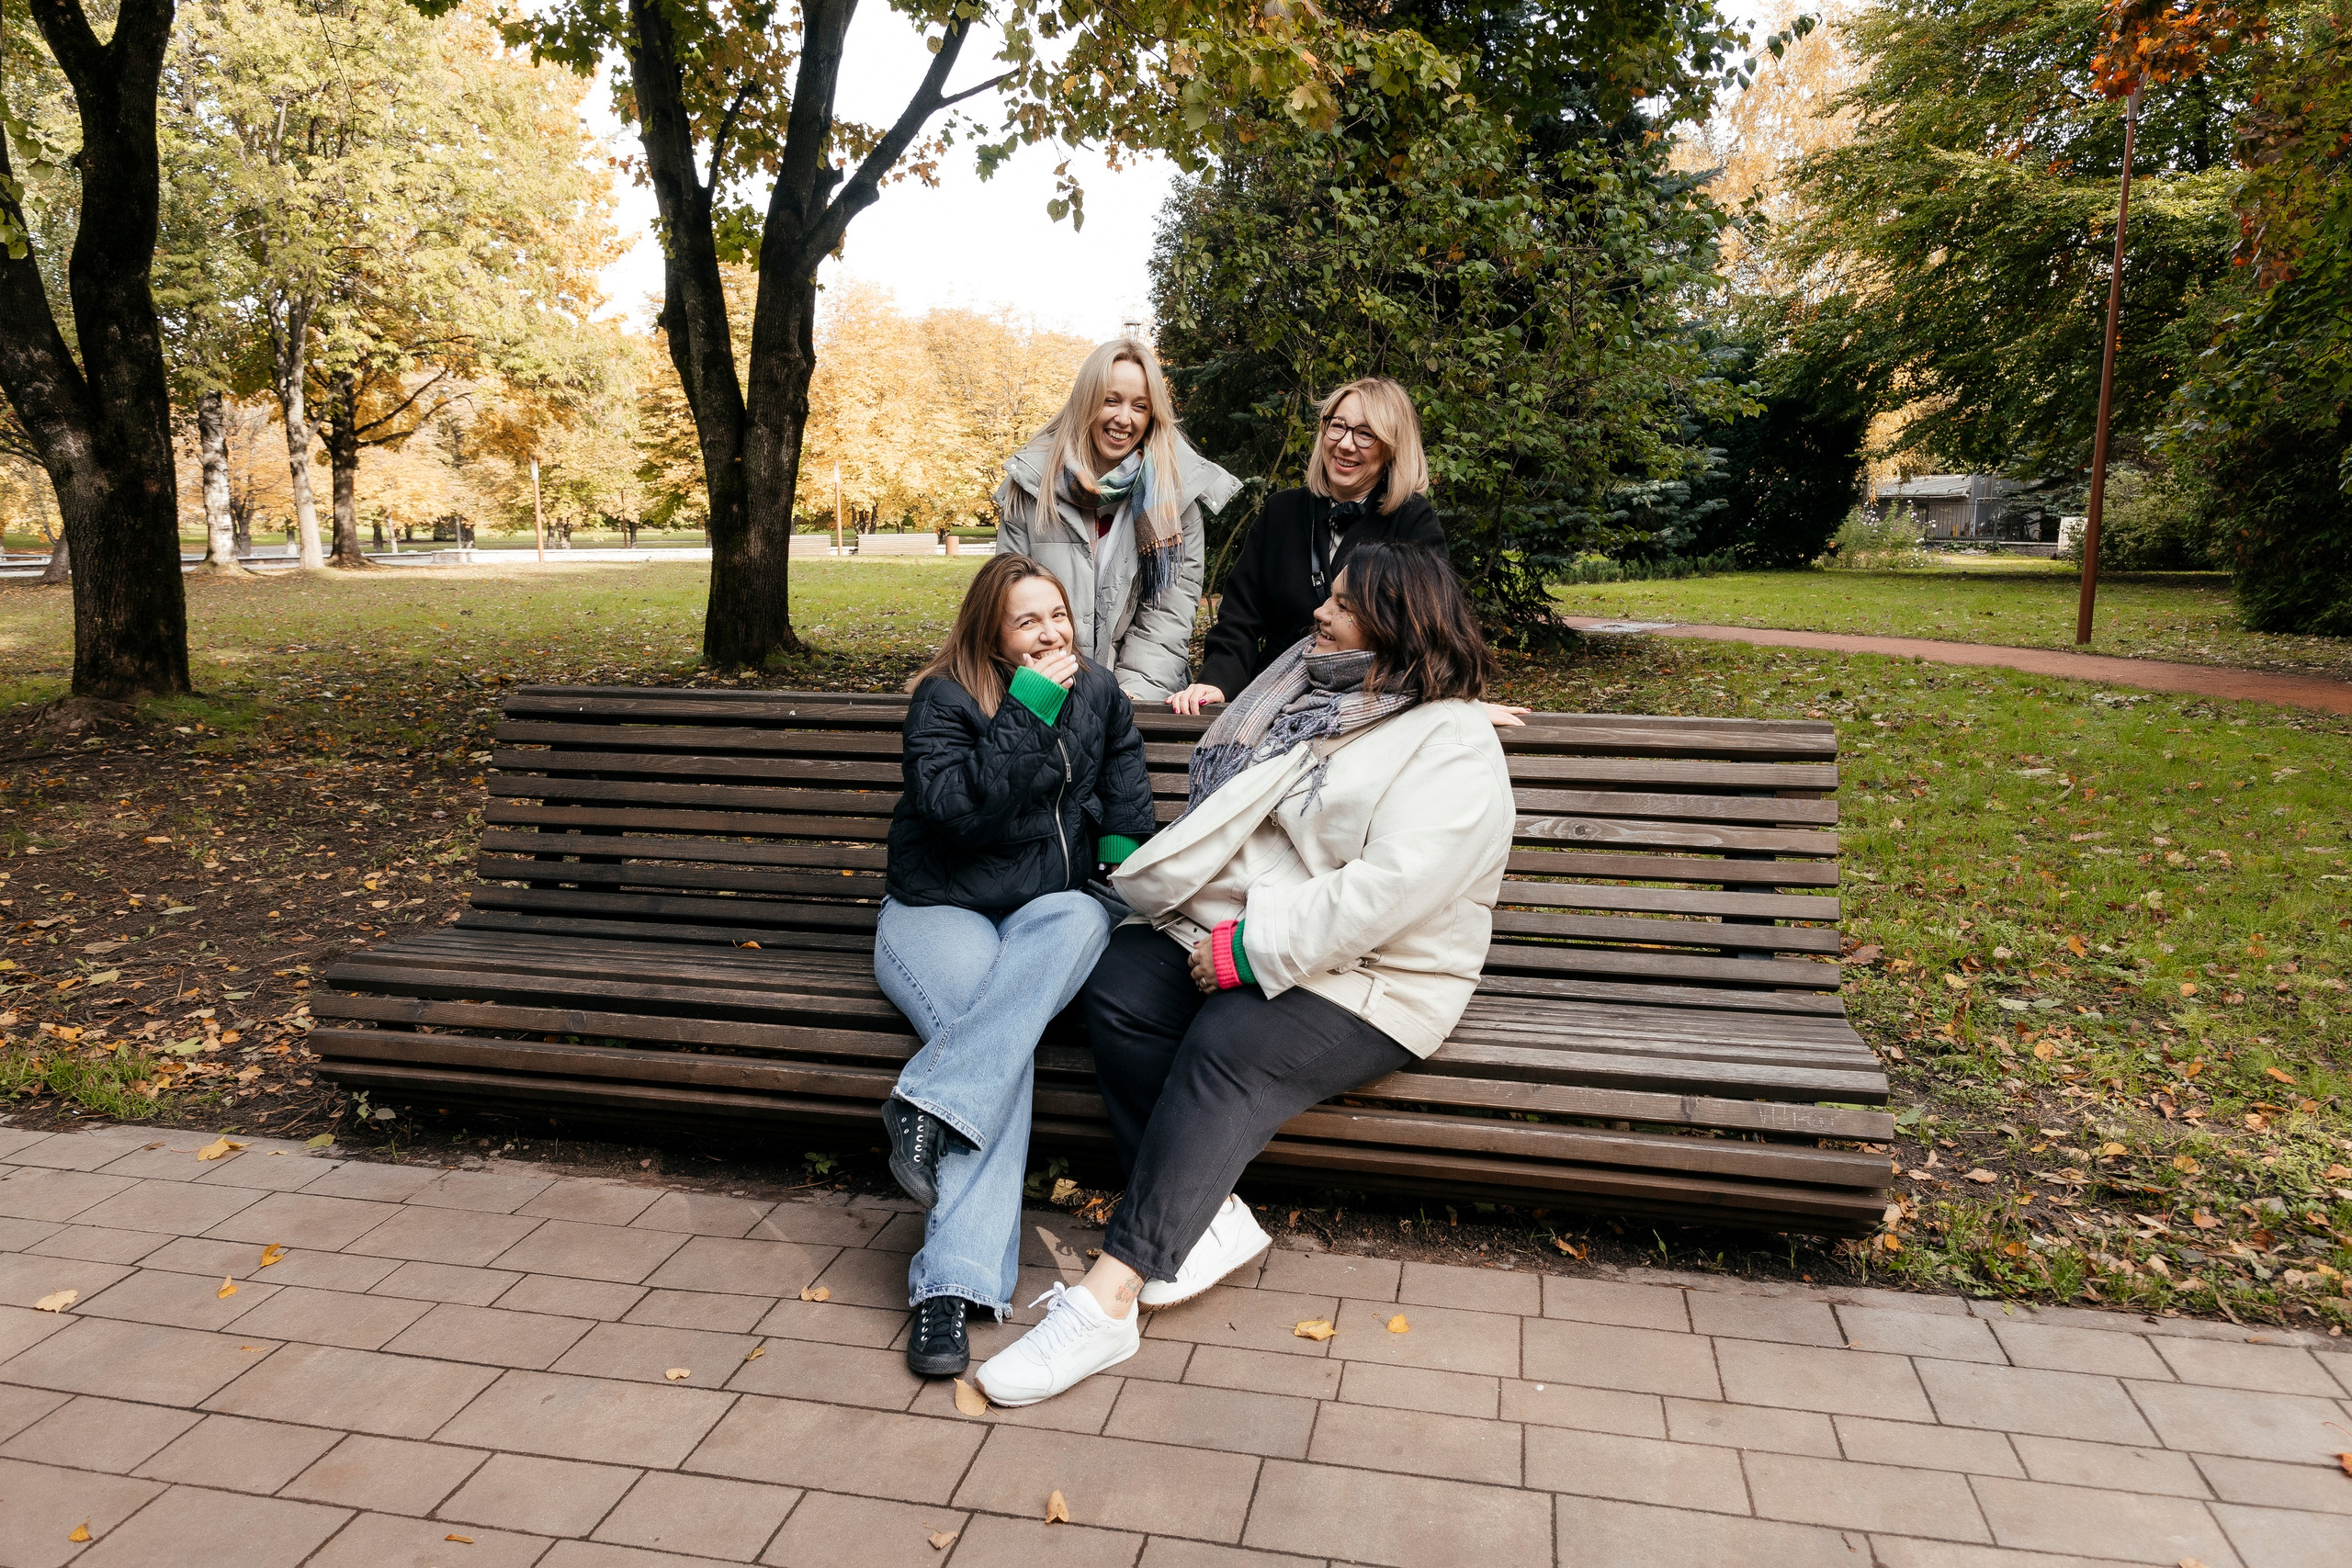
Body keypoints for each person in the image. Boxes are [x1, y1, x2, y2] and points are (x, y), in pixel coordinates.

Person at [975, 542, 1516, 1405]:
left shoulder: (1449, 740)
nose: (1319, 612)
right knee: (1117, 979)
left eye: (1340, 604)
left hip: (1382, 977)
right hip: (1278, 937)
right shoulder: (1317, 700)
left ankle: (1109, 1299)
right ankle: (1209, 1216)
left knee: (1228, 1040)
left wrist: (1247, 951)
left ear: (1389, 623)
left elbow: (1391, 891)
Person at [873, 552, 1157, 1381]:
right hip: (938, 909)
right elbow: (957, 814)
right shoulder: (945, 696)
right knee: (1005, 1052)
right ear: (990, 630)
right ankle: (948, 1289)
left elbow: (1126, 793)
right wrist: (1031, 706)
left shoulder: (1098, 691)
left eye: (1058, 614)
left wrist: (1119, 875)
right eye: (1028, 619)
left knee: (1080, 914)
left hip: (1046, 913)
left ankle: (924, 1106)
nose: (1050, 631)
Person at [1169, 377, 1443, 716]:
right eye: (1337, 426)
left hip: (1367, 707)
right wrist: (1218, 681)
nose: (1345, 444)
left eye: (1365, 433)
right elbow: (1239, 619)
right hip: (1274, 701)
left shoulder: (1413, 521)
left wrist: (1446, 702)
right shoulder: (1281, 512)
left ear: (1391, 447)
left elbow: (1429, 630)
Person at [997, 336, 1240, 702]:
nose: (1123, 419)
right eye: (1111, 400)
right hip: (1042, 688)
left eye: (1139, 406)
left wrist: (1126, 700)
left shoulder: (1176, 498)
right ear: (1086, 402)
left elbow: (1167, 618)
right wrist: (1052, 690)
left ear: (1152, 414)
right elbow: (1011, 608)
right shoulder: (1032, 485)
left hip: (1136, 698)